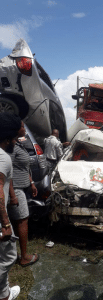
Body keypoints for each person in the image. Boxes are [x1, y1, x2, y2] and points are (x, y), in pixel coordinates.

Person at [8, 121, 39, 268]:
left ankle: (15, 254)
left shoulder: (19, 144)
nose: (24, 128)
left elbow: (24, 168)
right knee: (22, 220)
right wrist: (13, 195)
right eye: (22, 126)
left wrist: (31, 183)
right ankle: (24, 257)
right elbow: (7, 172)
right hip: (16, 189)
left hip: (23, 187)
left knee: (17, 220)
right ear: (15, 129)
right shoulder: (11, 147)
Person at [0, 112, 21, 300]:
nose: (17, 140)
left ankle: (5, 291)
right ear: (8, 137)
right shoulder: (3, 157)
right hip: (0, 219)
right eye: (15, 136)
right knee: (7, 258)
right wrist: (6, 223)